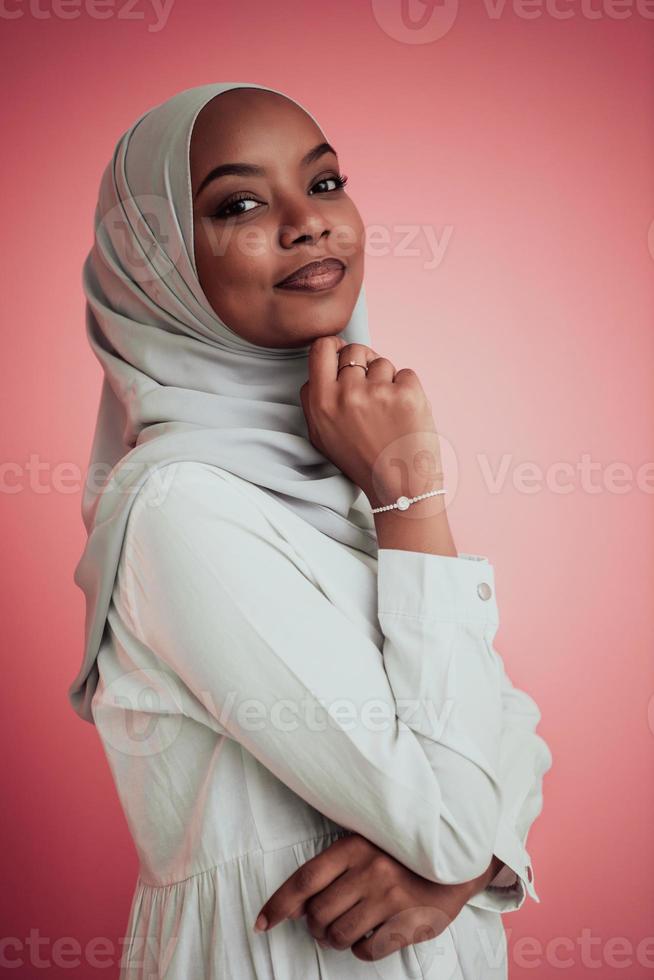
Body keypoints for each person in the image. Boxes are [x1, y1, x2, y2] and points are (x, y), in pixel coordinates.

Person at [68, 82, 553, 979]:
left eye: (324, 183)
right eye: (241, 203)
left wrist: (473, 865)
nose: (308, 223)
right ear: (161, 264)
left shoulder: (341, 461)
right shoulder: (183, 509)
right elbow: (447, 819)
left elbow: (510, 728)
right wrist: (412, 500)